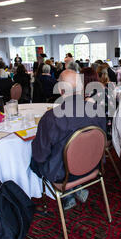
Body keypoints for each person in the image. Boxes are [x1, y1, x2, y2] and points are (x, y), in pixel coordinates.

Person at [30, 70, 107, 210]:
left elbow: (40, 156)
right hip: (93, 167)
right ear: (82, 88)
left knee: (34, 159)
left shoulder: (51, 118)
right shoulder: (97, 110)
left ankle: (66, 195)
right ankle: (77, 188)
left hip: (64, 176)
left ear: (60, 89)